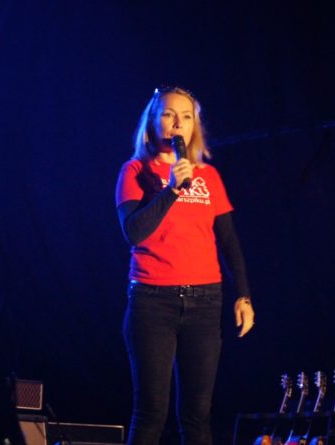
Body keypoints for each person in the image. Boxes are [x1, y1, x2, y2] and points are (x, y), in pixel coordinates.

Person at [115, 86, 255, 445]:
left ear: (195, 126)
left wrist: (243, 295)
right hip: (152, 303)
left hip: (205, 303)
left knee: (197, 416)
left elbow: (228, 240)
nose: (177, 123)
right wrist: (173, 190)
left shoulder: (208, 176)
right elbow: (134, 232)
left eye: (186, 116)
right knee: (151, 414)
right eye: (168, 114)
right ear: (152, 122)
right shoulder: (135, 171)